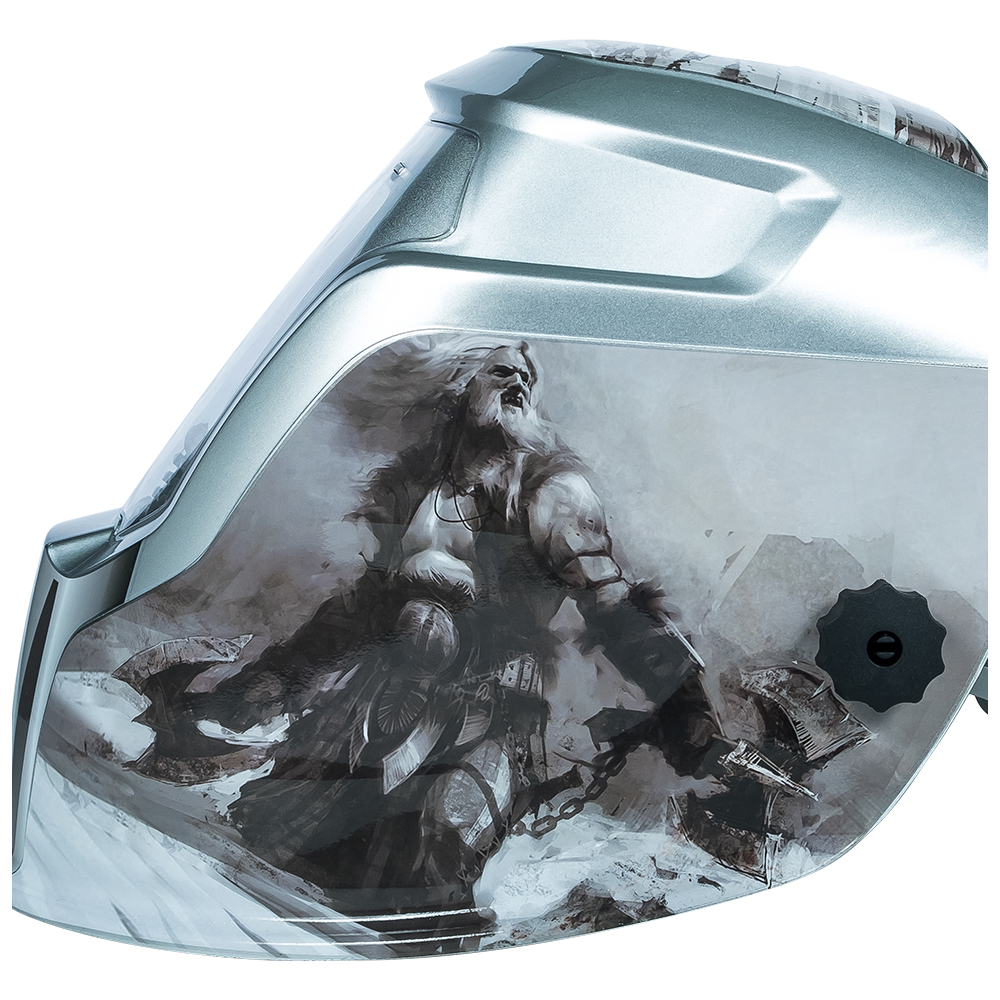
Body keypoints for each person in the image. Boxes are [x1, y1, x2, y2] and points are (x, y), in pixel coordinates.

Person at [131, 339, 845, 953]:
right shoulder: (416, 489)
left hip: (487, 714)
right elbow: (355, 615)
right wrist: (255, 691)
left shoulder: (551, 492)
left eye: (528, 376)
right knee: (284, 857)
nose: (519, 382)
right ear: (458, 382)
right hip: (376, 707)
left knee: (435, 871)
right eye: (501, 370)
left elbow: (619, 610)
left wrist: (693, 728)